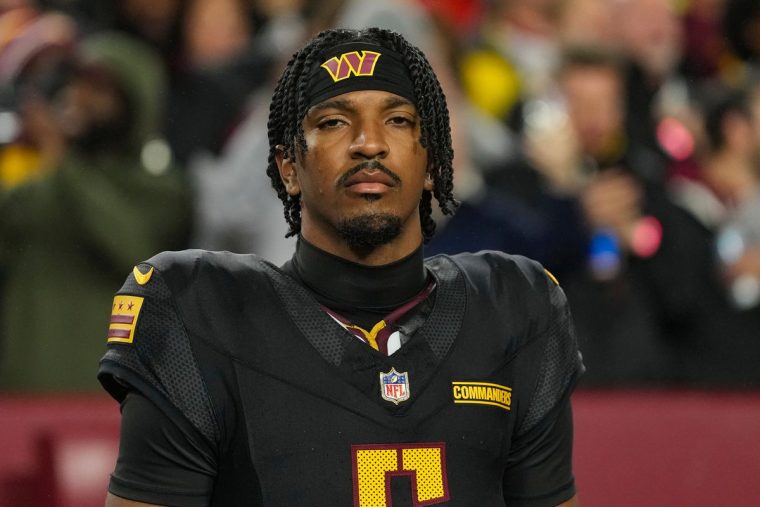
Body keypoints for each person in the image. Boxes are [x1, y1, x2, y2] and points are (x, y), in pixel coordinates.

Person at [98, 27, 583, 506]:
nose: (369, 143)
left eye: (397, 120)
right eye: (333, 122)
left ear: (432, 164)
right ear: (288, 168)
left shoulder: (514, 308)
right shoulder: (199, 313)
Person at [0, 31, 190, 391]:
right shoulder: (45, 183)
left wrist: (62, 157)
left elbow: (131, 250)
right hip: (22, 393)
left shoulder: (164, 191)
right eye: (77, 84)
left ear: (137, 105)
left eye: (98, 89)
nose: (79, 98)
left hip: (106, 396)